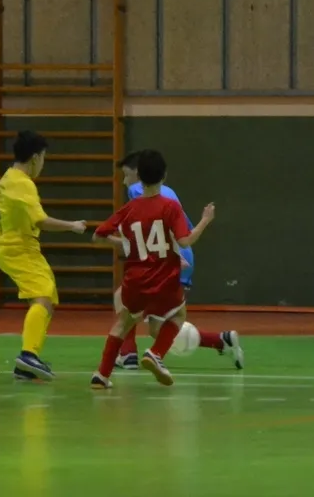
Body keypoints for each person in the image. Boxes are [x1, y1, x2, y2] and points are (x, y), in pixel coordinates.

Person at [90, 149, 222, 388]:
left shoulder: (129, 208)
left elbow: (98, 237)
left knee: (123, 323)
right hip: (163, 278)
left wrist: (125, 243)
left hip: (135, 280)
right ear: (164, 175)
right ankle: (156, 353)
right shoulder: (170, 206)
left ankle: (102, 374)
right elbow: (185, 241)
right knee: (178, 315)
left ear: (139, 176)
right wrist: (205, 220)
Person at [114, 151, 243, 371]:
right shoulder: (167, 191)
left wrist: (174, 256)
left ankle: (128, 353)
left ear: (139, 173)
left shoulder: (137, 190)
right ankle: (222, 340)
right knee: (159, 325)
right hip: (178, 253)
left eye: (127, 175)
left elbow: (157, 226)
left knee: (124, 298)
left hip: (169, 256)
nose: (125, 181)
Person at [0, 130, 87, 382]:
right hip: (21, 249)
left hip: (11, 249)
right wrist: (72, 226)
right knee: (43, 295)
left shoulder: (7, 178)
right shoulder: (23, 183)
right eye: (44, 158)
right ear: (36, 157)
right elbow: (40, 220)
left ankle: (27, 363)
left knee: (44, 296)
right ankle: (28, 355)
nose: (43, 164)